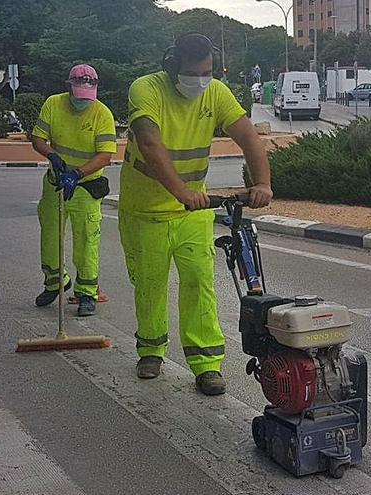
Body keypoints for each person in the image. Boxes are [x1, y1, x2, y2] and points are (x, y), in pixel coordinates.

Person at [119, 33, 273, 396]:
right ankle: (151, 350)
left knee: (199, 284)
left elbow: (249, 138)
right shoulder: (146, 90)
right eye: (193, 73)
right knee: (150, 284)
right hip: (146, 210)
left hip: (193, 212)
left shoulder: (216, 92)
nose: (201, 80)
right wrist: (182, 193)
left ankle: (206, 363)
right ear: (172, 67)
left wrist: (262, 182)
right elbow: (150, 143)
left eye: (207, 72)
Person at [31, 64, 117, 317]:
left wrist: (77, 174)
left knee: (86, 241)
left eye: (87, 95)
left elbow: (105, 156)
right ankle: (55, 282)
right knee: (50, 235)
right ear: (69, 86)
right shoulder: (53, 104)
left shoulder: (102, 114)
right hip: (55, 183)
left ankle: (86, 293)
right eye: (78, 93)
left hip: (86, 186)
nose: (83, 101)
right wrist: (52, 155)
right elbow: (38, 139)